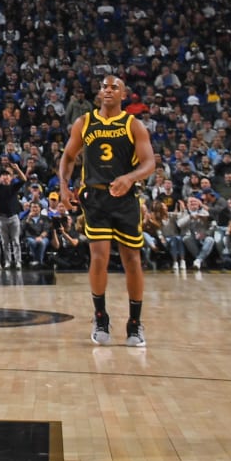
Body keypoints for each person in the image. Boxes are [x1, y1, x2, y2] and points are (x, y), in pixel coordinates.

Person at [59, 74, 157, 346]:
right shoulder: (85, 122)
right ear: (99, 92)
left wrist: (130, 178)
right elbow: (68, 156)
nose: (109, 90)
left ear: (123, 94)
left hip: (125, 199)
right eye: (104, 86)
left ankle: (135, 323)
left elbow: (149, 163)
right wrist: (64, 187)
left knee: (132, 260)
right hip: (96, 198)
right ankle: (100, 317)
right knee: (99, 257)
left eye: (115, 87)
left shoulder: (133, 125)